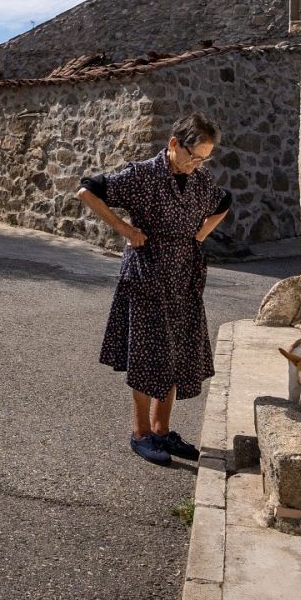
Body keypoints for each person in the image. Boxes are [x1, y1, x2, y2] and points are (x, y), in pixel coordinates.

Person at [76, 113, 232, 467]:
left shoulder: (200, 180)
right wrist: (126, 230)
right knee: (148, 356)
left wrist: (200, 235)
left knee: (175, 353)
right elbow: (87, 189)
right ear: (174, 143)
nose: (197, 164)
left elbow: (224, 202)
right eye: (194, 155)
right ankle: (141, 434)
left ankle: (163, 431)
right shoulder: (141, 175)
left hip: (185, 276)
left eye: (205, 158)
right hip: (147, 275)